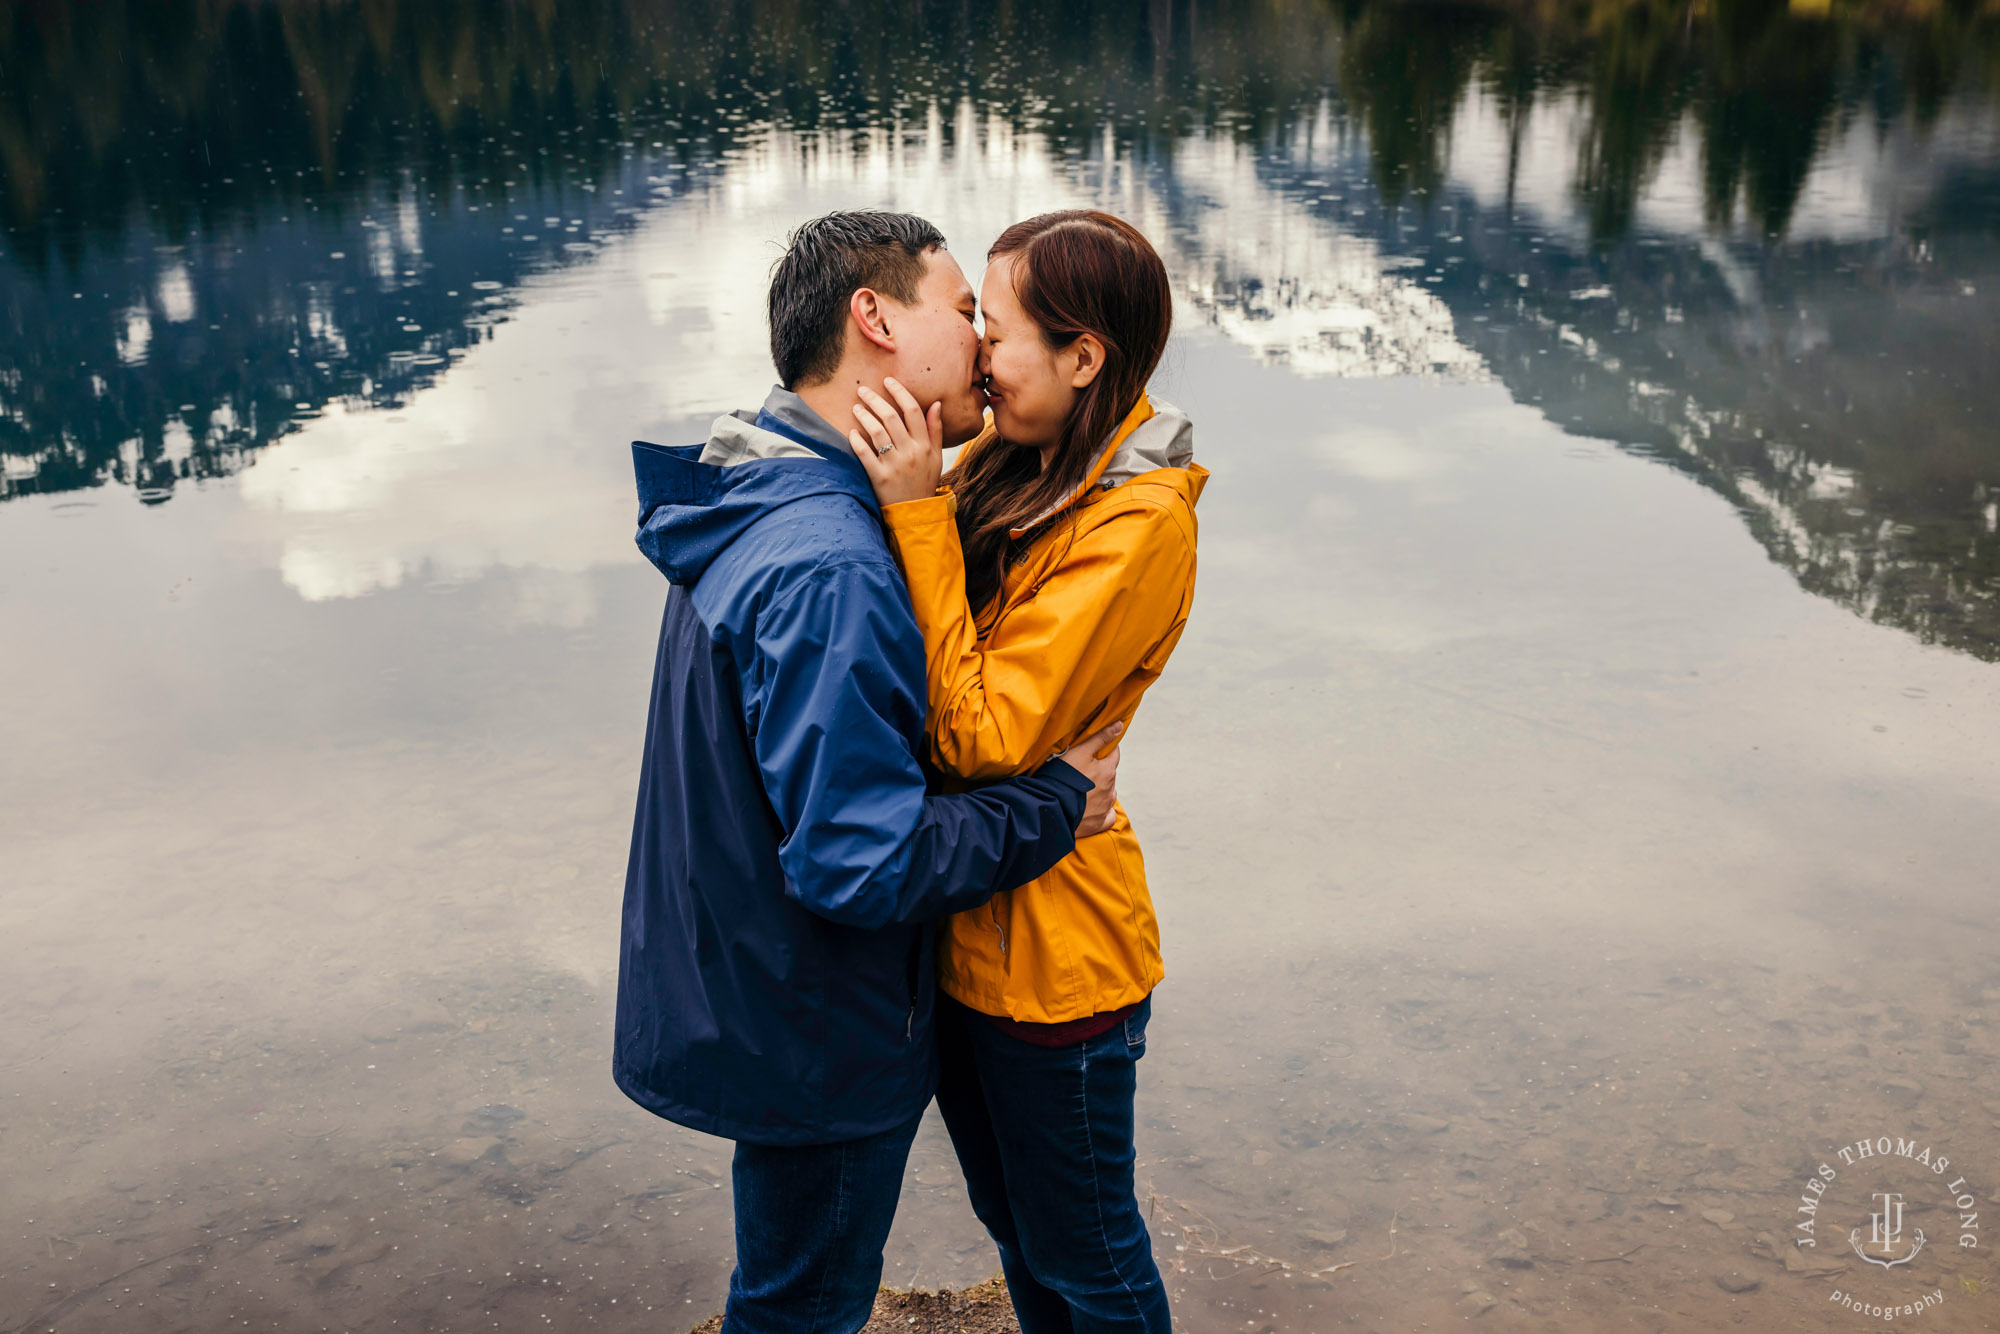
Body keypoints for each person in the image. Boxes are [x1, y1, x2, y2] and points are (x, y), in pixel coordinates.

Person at [613, 210, 1127, 1334]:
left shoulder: (766, 486)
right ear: (875, 319)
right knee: (802, 1307)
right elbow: (859, 857)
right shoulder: (830, 564)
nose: (985, 349)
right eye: (962, 311)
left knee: (787, 1290)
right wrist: (1048, 803)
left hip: (763, 986)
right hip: (819, 1020)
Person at [846, 209, 1203, 1334]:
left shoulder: (1136, 523)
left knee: (1087, 1256)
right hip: (968, 936)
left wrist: (911, 510)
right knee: (1020, 1232)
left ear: (1082, 355)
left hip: (1060, 966)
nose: (977, 360)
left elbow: (977, 733)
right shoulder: (1023, 458)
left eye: (992, 332)